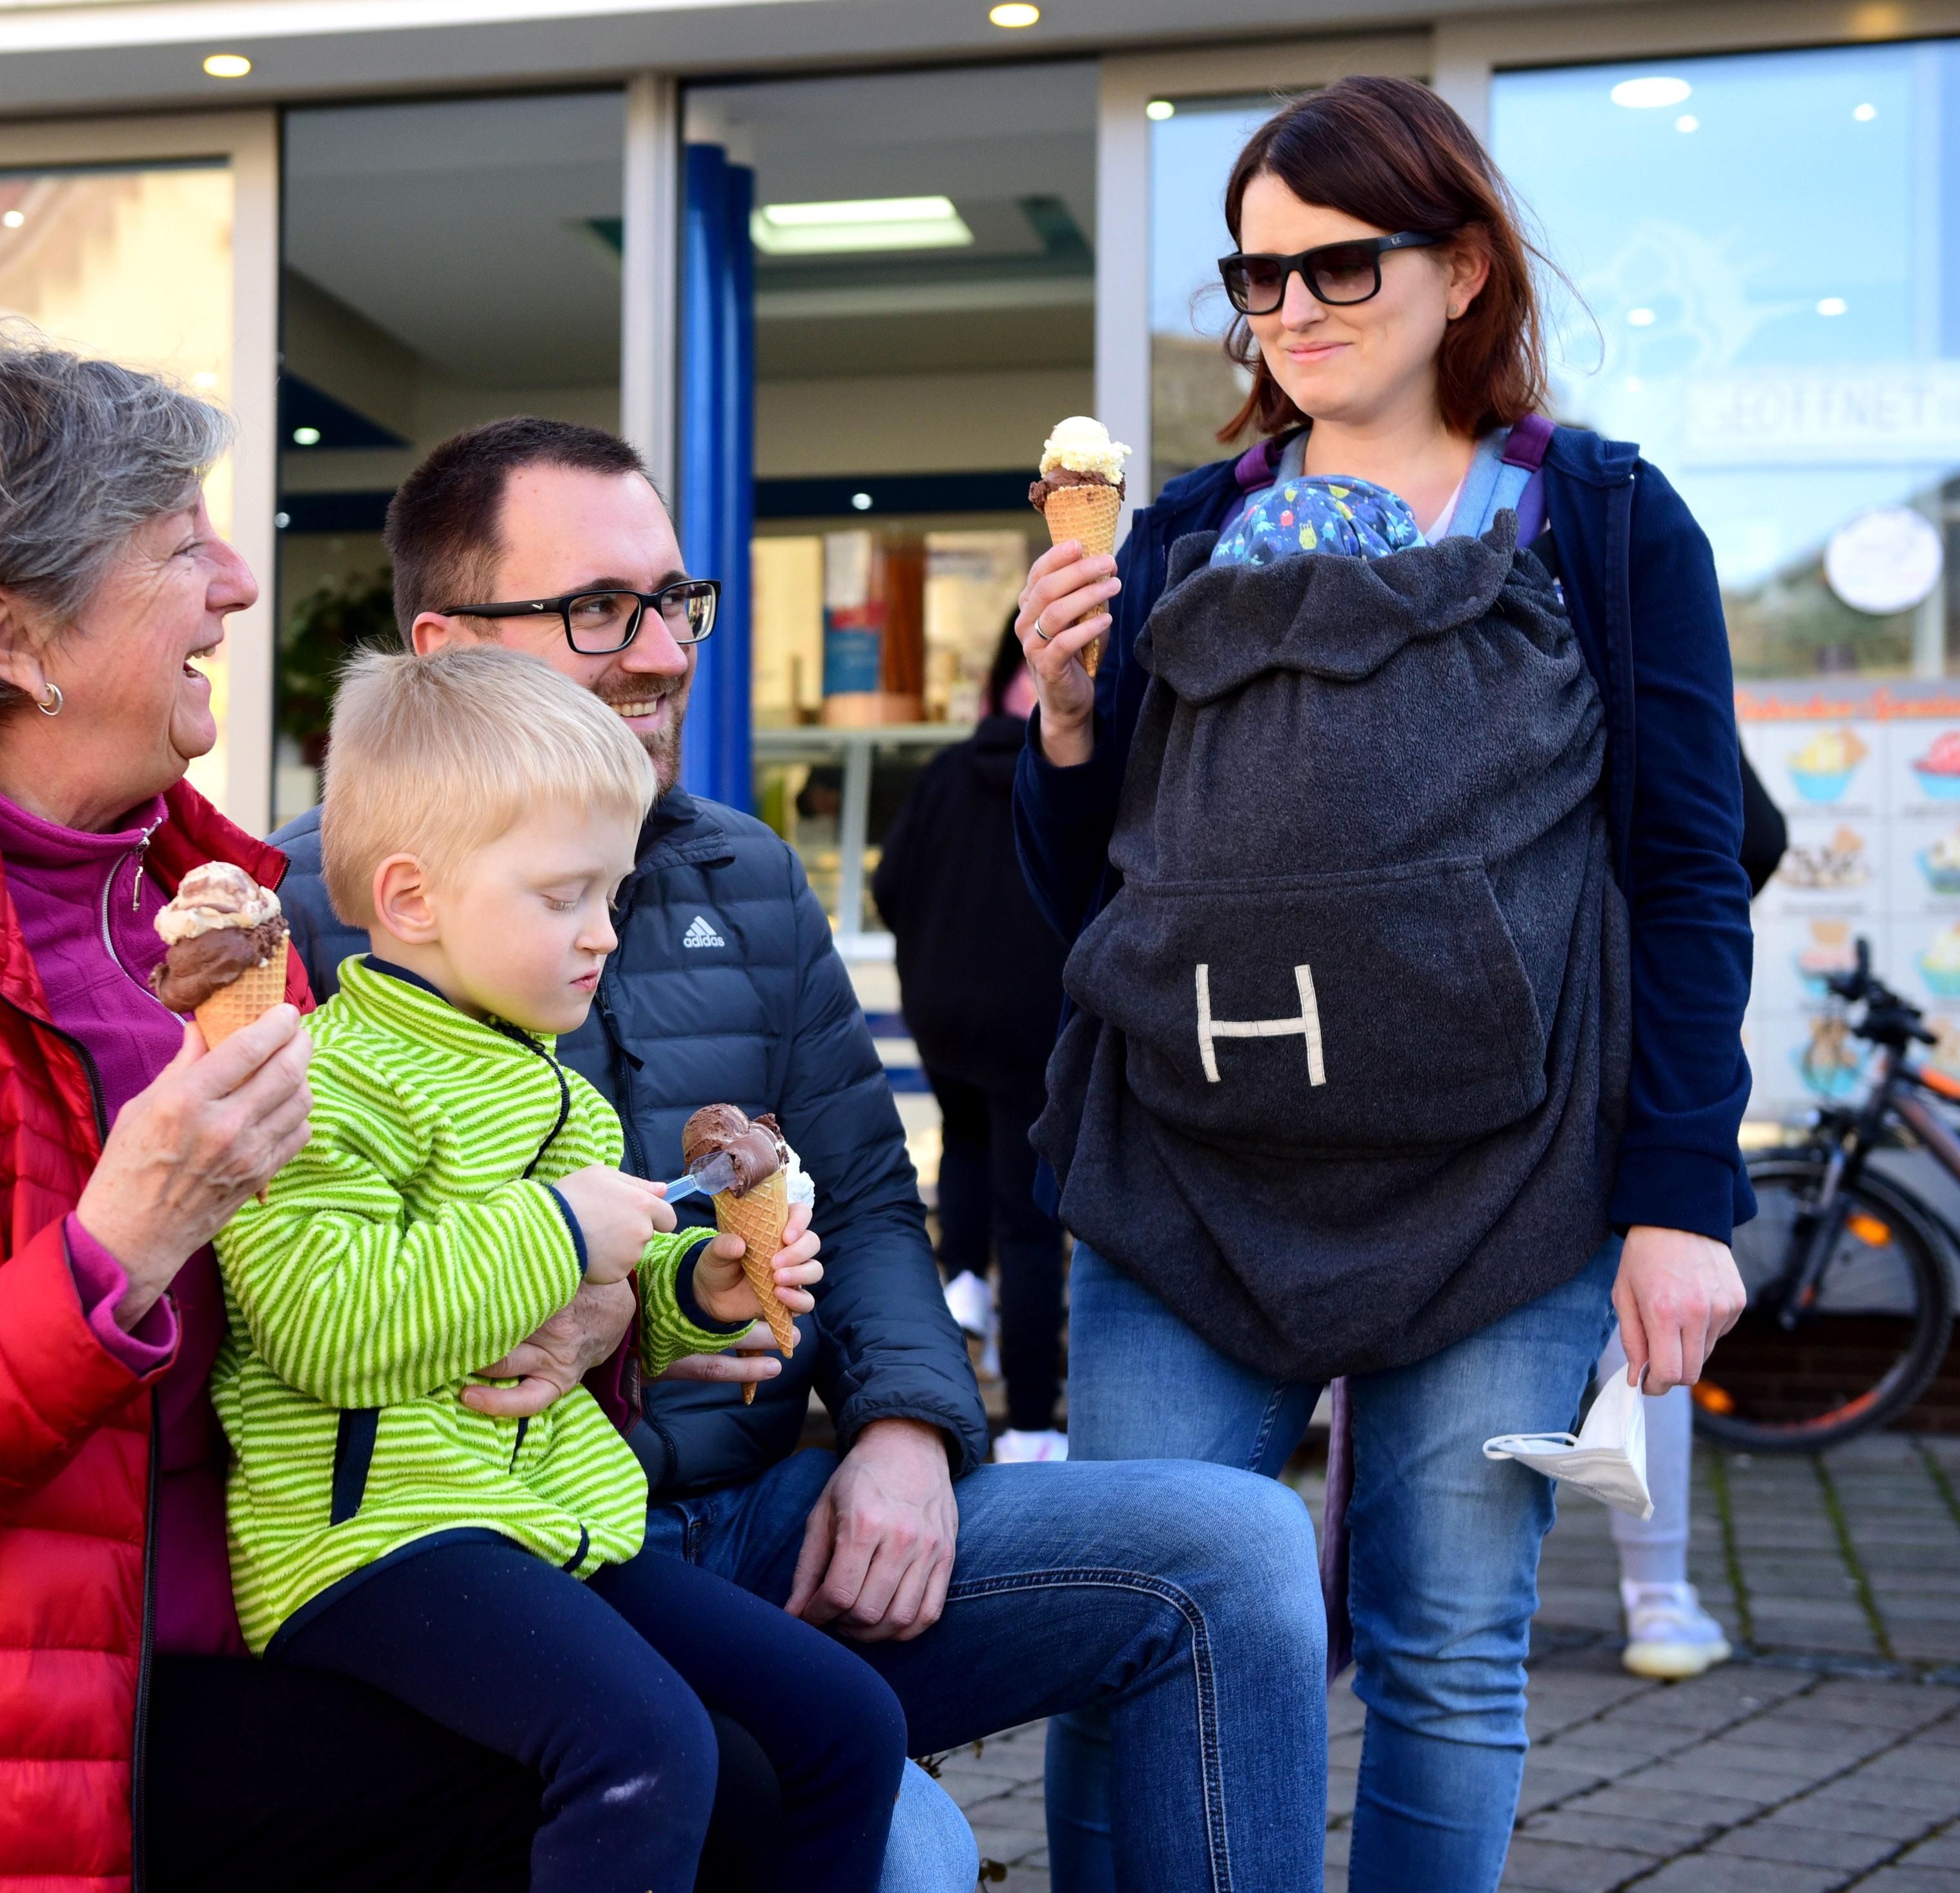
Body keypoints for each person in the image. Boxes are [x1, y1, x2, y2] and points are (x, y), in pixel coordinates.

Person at [0, 340, 779, 1893]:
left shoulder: (211, 916)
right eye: (179, 546)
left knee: (747, 1768)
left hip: (227, 1635)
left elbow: (332, 1295)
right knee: (680, 1780)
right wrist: (120, 1239)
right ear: (15, 634)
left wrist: (600, 1301)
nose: (238, 585)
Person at [275, 414, 1334, 1893]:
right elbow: (282, 1303)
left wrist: (906, 1427)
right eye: (598, 610)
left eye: (674, 600)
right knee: (912, 1849)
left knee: (1238, 1545)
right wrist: (574, 1302)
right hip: (508, 1568)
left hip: (772, 1521)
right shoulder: (306, 913)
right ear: (445, 648)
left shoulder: (749, 873)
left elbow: (873, 1195)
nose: (660, 650)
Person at [1011, 78, 1751, 1893]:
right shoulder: (1178, 533)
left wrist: (1680, 1198)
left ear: (1468, 263)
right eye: (1256, 277)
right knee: (1123, 1643)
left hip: (1513, 1189)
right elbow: (1087, 882)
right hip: (1188, 1181)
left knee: (1448, 1651)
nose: (1293, 309)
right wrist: (1058, 715)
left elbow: (1686, 869)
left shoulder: (1605, 517)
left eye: (1341, 261)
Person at [218, 644, 902, 1893]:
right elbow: (320, 1322)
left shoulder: (553, 1085)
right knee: (642, 1749)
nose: (600, 936)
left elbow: (597, 1300)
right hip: (374, 1547)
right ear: (415, 899)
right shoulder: (317, 1081)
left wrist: (699, 1293)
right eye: (563, 898)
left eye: (615, 897)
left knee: (848, 1728)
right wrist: (560, 1231)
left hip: (550, 1518)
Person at [1600, 753, 1784, 1681]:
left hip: (1592, 1055)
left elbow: (1743, 839)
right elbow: (1755, 836)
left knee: (1645, 1327)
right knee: (1641, 1344)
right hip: (1633, 1053)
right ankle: (1659, 1598)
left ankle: (1360, 1596)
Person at [872, 624, 1072, 1462]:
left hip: (944, 1013)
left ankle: (960, 1294)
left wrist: (934, 953)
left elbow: (889, 885)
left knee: (962, 1145)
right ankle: (1029, 1425)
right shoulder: (1066, 777)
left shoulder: (947, 772)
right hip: (1032, 1023)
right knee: (1030, 1227)